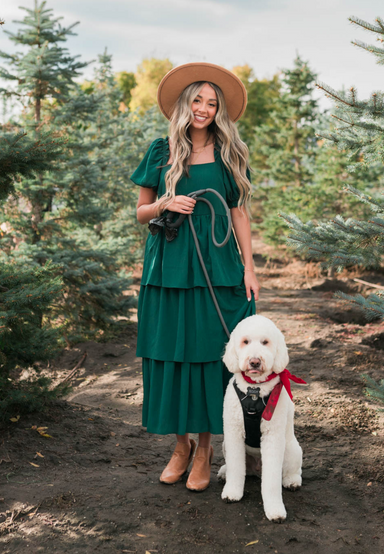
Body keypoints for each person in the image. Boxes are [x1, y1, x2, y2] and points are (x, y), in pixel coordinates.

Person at [131, 62, 260, 492]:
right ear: (185, 104)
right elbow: (140, 211)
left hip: (217, 265)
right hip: (168, 265)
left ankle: (205, 448)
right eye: (198, 100)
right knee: (170, 351)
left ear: (219, 110)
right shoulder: (160, 150)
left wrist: (250, 267)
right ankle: (179, 446)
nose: (204, 108)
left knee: (210, 352)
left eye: (212, 102)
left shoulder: (229, 153)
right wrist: (167, 203)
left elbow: (239, 212)